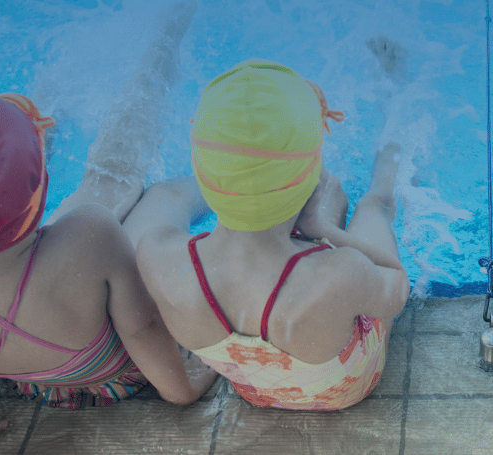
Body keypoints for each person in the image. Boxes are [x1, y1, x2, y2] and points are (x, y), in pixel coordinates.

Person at [0, 3, 217, 451]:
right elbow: (144, 330)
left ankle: (35, 106)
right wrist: (181, 390)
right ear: (43, 191)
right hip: (114, 376)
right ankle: (162, 43)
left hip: (39, 383)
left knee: (12, 162)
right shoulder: (89, 233)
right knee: (117, 180)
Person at [123, 49, 410, 411]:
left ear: (203, 169)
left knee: (327, 212)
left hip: (255, 388)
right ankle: (391, 148)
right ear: (308, 177)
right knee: (373, 207)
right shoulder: (342, 274)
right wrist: (321, 228)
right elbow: (397, 285)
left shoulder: (159, 254)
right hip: (342, 389)